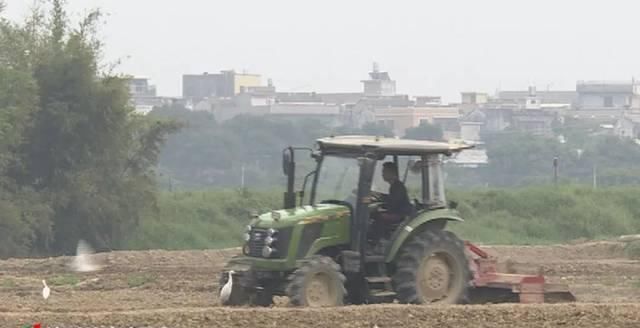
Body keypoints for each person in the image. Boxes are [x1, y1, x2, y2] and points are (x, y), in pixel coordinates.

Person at [368, 161, 413, 243]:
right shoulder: (394, 186)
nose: (382, 174)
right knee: (373, 213)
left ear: (392, 173)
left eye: (384, 172)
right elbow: (389, 200)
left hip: (400, 214)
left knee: (378, 217)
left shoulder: (398, 186)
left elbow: (393, 201)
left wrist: (378, 197)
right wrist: (377, 197)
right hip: (395, 211)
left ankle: (376, 242)